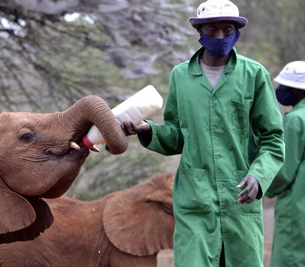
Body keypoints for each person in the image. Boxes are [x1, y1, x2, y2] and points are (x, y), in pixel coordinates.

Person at [121, 0, 285, 266]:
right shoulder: (181, 76)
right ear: (200, 31)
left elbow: (273, 139)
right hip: (196, 201)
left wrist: (258, 175)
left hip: (239, 199)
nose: (220, 36)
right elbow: (178, 135)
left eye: (227, 28)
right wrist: (148, 130)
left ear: (236, 30)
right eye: (212, 29)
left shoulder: (254, 74)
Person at [266, 61, 305, 267]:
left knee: (291, 258)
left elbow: (284, 170)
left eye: (284, 87)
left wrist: (261, 184)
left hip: (296, 208)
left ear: (298, 92)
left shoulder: (295, 120)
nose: (280, 92)